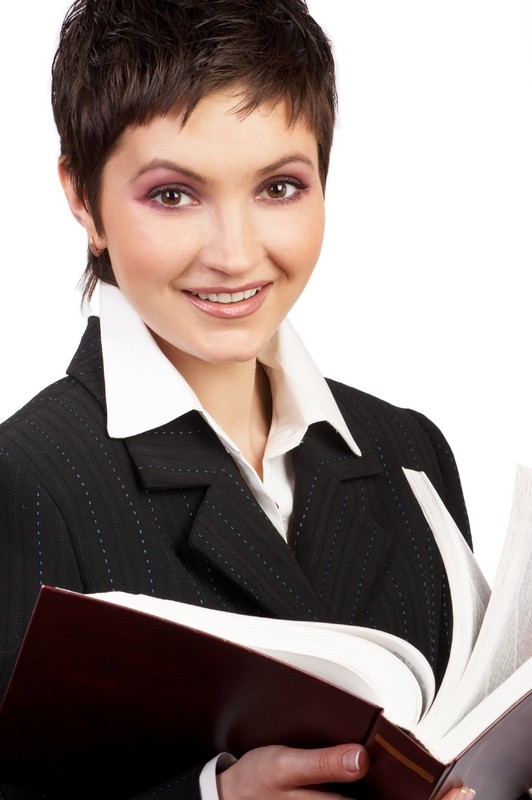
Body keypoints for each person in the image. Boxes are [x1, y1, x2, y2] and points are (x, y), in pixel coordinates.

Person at [0, 1, 479, 799]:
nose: (235, 254)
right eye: (174, 196)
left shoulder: (409, 452)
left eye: (280, 187)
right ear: (83, 199)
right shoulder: (29, 481)